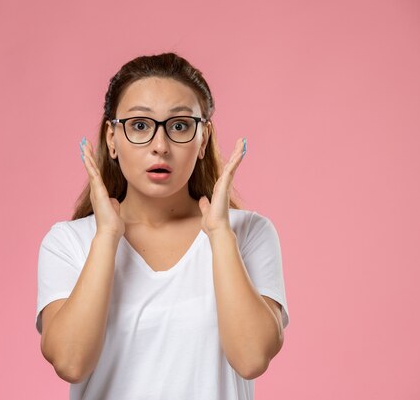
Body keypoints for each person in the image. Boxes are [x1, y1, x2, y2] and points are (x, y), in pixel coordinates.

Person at [35, 52, 290, 400]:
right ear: (112, 138)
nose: (160, 146)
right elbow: (71, 362)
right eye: (140, 125)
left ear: (203, 139)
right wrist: (107, 237)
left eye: (180, 126)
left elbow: (251, 358)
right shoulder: (69, 242)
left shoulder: (248, 233)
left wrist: (219, 234)